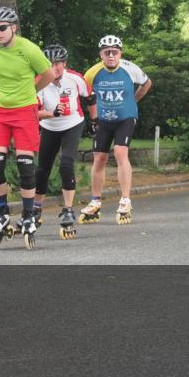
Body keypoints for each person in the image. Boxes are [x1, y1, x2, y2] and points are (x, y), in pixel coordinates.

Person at [0, 6, 57, 250]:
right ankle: (1, 213)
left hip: (24, 111)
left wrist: (30, 91)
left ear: (14, 27)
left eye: (2, 28)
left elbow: (49, 73)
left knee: (25, 165)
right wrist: (2, 93)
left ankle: (27, 214)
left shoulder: (28, 49)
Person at [81, 35, 152, 225]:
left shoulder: (130, 68)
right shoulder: (92, 73)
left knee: (120, 152)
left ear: (120, 53)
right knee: (99, 158)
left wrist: (134, 101)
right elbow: (87, 95)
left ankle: (125, 199)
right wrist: (93, 118)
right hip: (104, 119)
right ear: (101, 54)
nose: (111, 55)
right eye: (107, 52)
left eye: (115, 52)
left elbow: (147, 83)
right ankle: (95, 200)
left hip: (126, 118)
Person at [34, 44, 95, 239]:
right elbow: (34, 113)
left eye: (58, 63)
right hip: (50, 126)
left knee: (67, 162)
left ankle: (68, 208)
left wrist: (95, 122)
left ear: (64, 64)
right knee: (42, 168)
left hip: (72, 124)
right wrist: (52, 113)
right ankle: (36, 209)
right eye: (51, 64)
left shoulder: (75, 78)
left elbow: (90, 98)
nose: (55, 67)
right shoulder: (39, 82)